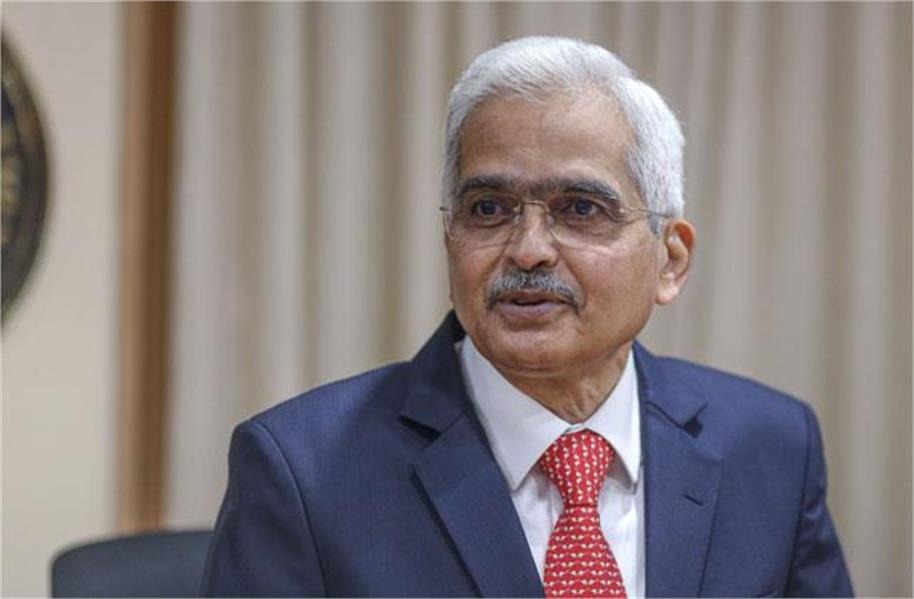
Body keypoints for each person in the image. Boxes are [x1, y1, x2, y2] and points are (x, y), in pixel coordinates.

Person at [202, 36, 853, 598]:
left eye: (580, 209)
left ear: (670, 260)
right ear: (450, 237)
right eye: (489, 208)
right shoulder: (303, 470)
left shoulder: (772, 447)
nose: (528, 249)